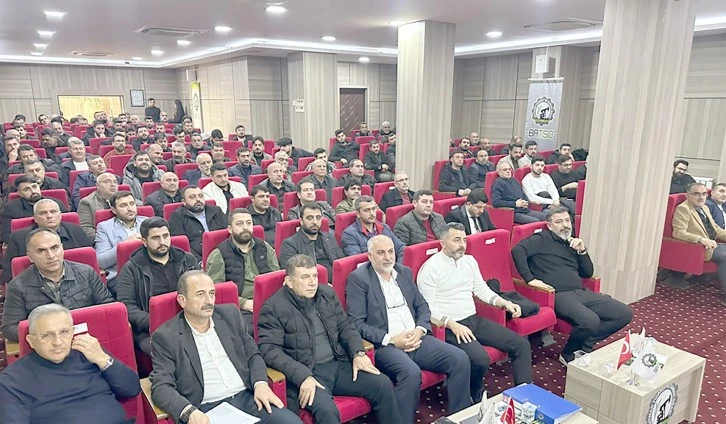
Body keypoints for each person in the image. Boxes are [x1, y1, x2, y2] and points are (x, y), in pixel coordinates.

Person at [258, 254, 401, 423]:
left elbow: (346, 326)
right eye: (305, 277)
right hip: (308, 372)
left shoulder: (326, 293)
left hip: (338, 364)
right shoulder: (273, 307)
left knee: (383, 384)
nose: (312, 282)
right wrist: (302, 376)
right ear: (289, 281)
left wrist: (358, 353)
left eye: (314, 276)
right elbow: (269, 350)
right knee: (327, 411)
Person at [345, 235, 472, 423]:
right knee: (411, 374)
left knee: (460, 359)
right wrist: (392, 340)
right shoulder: (359, 279)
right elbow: (356, 323)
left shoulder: (403, 272)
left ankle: (460, 418)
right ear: (370, 256)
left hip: (417, 338)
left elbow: (423, 307)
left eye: (391, 251)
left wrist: (420, 330)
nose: (388, 257)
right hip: (386, 345)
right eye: (381, 253)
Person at [149, 271, 300, 424]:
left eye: (212, 293)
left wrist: (260, 384)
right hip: (206, 408)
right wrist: (188, 411)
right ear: (182, 300)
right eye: (200, 294)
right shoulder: (166, 336)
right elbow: (161, 386)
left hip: (247, 397)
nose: (209, 300)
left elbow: (253, 354)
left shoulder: (230, 315)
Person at [418, 223, 532, 401]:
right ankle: (475, 393)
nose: (462, 245)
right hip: (449, 326)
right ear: (443, 243)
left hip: (473, 319)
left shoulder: (469, 261)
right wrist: (451, 324)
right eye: (457, 240)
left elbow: (481, 290)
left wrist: (504, 302)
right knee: (480, 359)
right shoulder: (431, 267)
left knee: (521, 345)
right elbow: (426, 307)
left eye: (464, 240)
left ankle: (525, 397)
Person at [512, 206, 633, 363]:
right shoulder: (541, 239)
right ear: (549, 225)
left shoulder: (572, 243)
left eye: (567, 221)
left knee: (624, 313)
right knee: (590, 321)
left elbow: (587, 273)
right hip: (558, 295)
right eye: (559, 222)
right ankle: (568, 354)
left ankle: (585, 345)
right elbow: (517, 250)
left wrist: (582, 251)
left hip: (580, 292)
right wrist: (529, 279)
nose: (565, 225)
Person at [0, 304, 141, 423]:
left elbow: (132, 389)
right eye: (47, 335)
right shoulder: (13, 380)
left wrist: (103, 359)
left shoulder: (90, 352)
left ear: (73, 332)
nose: (57, 342)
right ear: (31, 341)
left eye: (64, 332)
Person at [1, 229, 114, 342]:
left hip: (87, 339)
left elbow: (108, 307)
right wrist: (50, 335)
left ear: (62, 249)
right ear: (30, 257)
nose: (50, 256)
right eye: (41, 251)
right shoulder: (17, 286)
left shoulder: (86, 272)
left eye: (54, 248)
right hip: (47, 346)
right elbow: (10, 328)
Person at [116, 217, 199, 354]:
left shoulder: (187, 259)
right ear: (144, 241)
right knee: (173, 351)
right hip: (151, 328)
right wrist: (153, 321)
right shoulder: (131, 268)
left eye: (165, 236)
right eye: (155, 238)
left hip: (189, 320)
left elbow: (200, 289)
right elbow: (127, 306)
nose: (162, 242)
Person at [207, 208, 279, 332]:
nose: (245, 227)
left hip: (268, 301)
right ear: (230, 229)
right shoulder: (219, 254)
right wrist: (243, 303)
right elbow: (216, 290)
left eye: (248, 223)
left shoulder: (265, 247)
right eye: (240, 224)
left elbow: (276, 277)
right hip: (241, 307)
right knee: (255, 329)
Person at [1, 200, 92, 284]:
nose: (49, 216)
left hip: (77, 281)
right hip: (34, 285)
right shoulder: (18, 238)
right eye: (43, 213)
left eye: (53, 211)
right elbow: (9, 273)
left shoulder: (76, 230)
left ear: (60, 215)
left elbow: (89, 262)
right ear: (35, 218)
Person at [672, 183, 726, 305]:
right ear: (688, 195)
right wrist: (701, 239)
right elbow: (678, 232)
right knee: (725, 257)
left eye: (704, 194)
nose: (701, 197)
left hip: (714, 243)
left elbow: (716, 229)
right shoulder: (683, 209)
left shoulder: (705, 207)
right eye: (696, 194)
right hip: (701, 247)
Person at [94, 191, 149, 291]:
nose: (129, 208)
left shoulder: (147, 222)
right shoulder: (104, 227)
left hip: (149, 270)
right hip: (120, 276)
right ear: (114, 210)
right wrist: (125, 245)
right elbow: (101, 261)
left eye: (132, 204)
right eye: (123, 206)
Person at [279, 204, 344, 282]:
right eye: (310, 218)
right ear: (301, 221)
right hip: (311, 284)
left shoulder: (329, 237)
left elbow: (341, 261)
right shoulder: (290, 244)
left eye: (318, 218)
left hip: (337, 281)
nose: (315, 222)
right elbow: (293, 275)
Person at [1, 176, 67, 245]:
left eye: (34, 187)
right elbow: (6, 235)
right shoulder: (9, 209)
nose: (33, 191)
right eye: (26, 189)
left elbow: (66, 226)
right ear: (20, 193)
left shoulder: (56, 203)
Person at [169, 186, 227, 262]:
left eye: (200, 196)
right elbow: (181, 245)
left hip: (223, 254)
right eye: (192, 197)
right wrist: (198, 261)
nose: (198, 199)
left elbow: (228, 233)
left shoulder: (216, 210)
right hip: (197, 259)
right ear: (184, 202)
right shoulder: (177, 216)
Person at [341, 195, 405, 260]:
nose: (372, 213)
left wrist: (398, 265)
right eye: (366, 210)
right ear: (358, 214)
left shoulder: (384, 228)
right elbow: (358, 260)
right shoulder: (349, 234)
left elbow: (401, 248)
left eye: (373, 209)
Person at [78, 172, 119, 240]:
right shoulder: (86, 202)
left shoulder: (124, 200)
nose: (112, 184)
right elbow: (85, 228)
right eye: (107, 182)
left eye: (115, 182)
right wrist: (106, 239)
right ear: (98, 185)